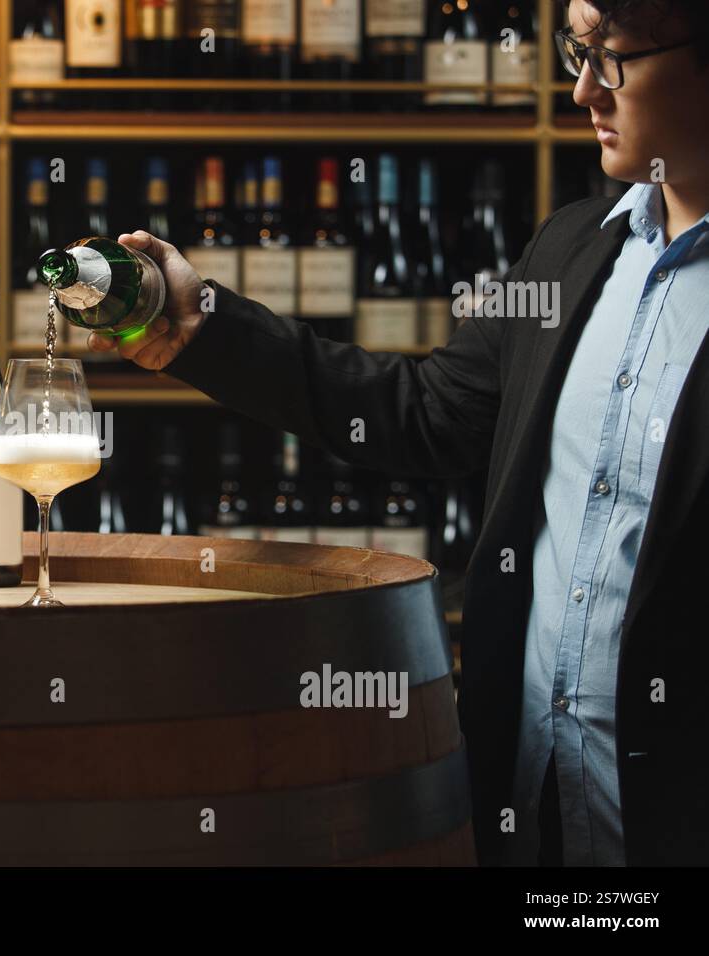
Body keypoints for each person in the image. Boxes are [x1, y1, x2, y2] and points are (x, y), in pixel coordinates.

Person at [88, 0, 709, 867]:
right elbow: (424, 412)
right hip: (529, 812)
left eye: (612, 59)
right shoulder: (573, 249)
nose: (580, 90)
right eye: (578, 52)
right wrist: (207, 326)